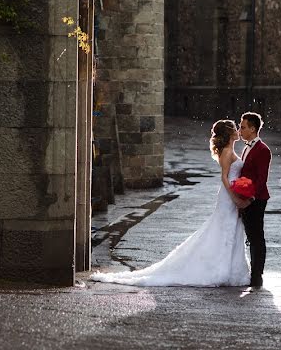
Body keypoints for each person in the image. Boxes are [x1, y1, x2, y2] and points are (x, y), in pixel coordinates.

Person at [89, 119, 250, 287]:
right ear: (229, 133)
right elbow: (224, 177)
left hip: (232, 193)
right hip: (228, 196)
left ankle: (232, 270)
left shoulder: (230, 149)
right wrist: (235, 197)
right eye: (235, 128)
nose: (238, 130)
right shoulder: (226, 151)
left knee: (232, 229)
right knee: (224, 229)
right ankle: (219, 270)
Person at [237, 111, 271, 288]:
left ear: (252, 128)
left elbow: (261, 179)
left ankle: (257, 275)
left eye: (243, 127)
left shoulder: (263, 150)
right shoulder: (246, 147)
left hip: (256, 199)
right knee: (251, 235)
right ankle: (254, 272)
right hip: (247, 198)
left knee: (257, 237)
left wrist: (249, 199)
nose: (240, 130)